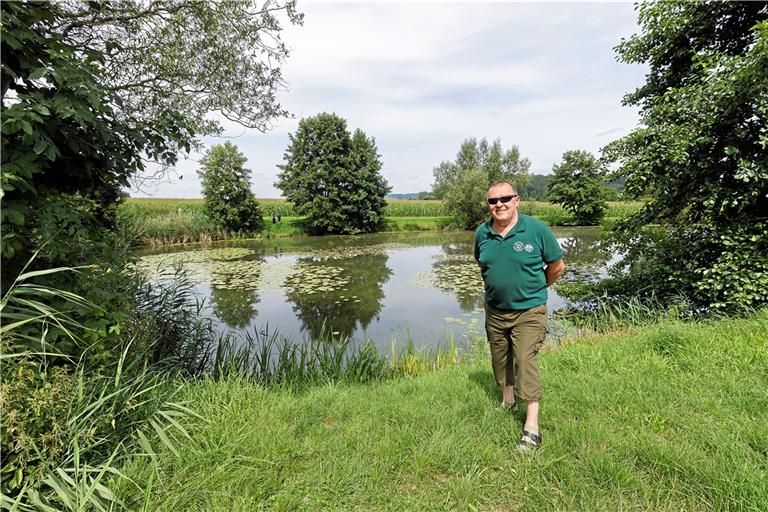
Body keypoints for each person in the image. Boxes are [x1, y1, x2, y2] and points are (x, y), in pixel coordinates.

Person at [474, 180, 565, 452]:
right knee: (500, 358)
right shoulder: (482, 233)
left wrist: (536, 289)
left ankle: (532, 427)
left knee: (524, 359)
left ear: (517, 200)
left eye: (505, 198)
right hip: (495, 309)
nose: (499, 204)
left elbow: (557, 266)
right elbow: (483, 262)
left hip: (529, 310)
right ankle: (508, 400)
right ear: (488, 205)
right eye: (493, 201)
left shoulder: (535, 230)